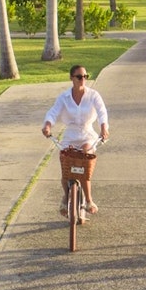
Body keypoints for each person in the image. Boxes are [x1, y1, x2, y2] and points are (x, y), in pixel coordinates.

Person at [42, 65, 109, 217]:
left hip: (87, 134)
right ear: (71, 78)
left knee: (85, 156)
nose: (83, 79)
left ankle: (89, 200)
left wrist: (104, 128)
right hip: (70, 136)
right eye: (79, 77)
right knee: (67, 164)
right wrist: (47, 125)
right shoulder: (64, 97)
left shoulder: (93, 95)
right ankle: (66, 197)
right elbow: (53, 112)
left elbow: (102, 112)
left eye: (85, 76)